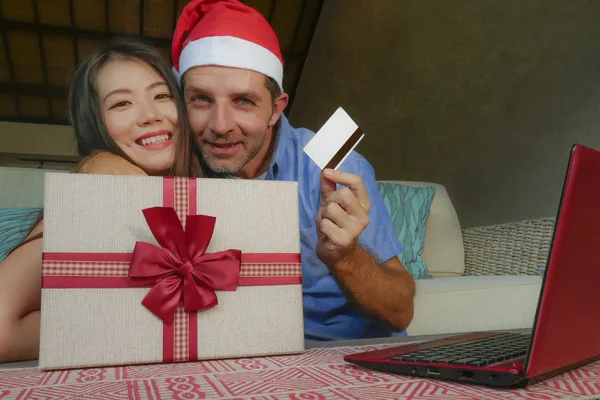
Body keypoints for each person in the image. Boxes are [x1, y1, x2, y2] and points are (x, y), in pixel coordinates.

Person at [79, 0, 416, 342]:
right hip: (245, 355)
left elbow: (400, 312)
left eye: (244, 101)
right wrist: (97, 161)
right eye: (201, 100)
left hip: (348, 352)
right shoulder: (179, 161)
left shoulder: (331, 161)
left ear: (275, 108)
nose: (220, 126)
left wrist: (344, 256)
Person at [0, 36, 199, 363]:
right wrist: (88, 177)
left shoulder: (216, 194)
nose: (149, 115)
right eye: (121, 103)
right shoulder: (86, 205)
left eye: (162, 95)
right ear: (96, 123)